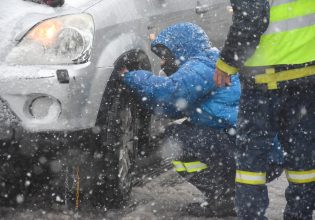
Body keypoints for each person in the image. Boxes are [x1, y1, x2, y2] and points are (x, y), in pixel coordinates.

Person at [120, 22, 283, 217]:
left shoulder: (202, 65)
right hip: (262, 152)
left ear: (181, 48)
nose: (163, 64)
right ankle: (227, 196)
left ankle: (226, 196)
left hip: (254, 152)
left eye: (165, 57)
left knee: (176, 139)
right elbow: (172, 108)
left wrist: (131, 77)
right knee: (185, 132)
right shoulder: (210, 62)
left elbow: (169, 94)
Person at [214, 1, 315, 219]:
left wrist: (227, 62)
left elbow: (251, 18)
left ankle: (252, 215)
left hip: (263, 83)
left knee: (252, 163)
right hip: (306, 78)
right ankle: (300, 214)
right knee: (303, 159)